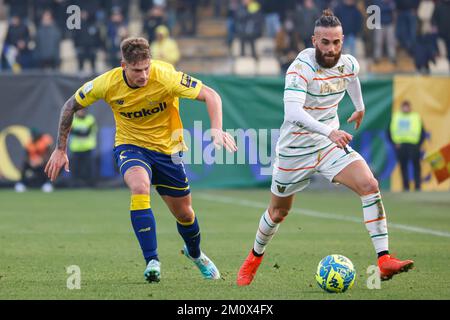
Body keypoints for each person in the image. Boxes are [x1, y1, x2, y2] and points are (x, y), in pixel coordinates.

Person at [236, 10, 414, 286]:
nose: (332, 49)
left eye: (337, 42)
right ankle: (254, 258)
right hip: (295, 149)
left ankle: (384, 260)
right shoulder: (300, 68)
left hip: (329, 144)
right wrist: (330, 131)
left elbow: (352, 77)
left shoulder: (348, 62)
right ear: (314, 40)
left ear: (342, 41)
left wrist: (360, 107)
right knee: (278, 213)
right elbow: (293, 113)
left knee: (369, 184)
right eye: (325, 42)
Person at [45, 37, 237, 283]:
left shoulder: (165, 76)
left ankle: (196, 254)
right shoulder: (106, 83)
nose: (144, 75)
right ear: (123, 65)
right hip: (131, 146)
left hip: (169, 151)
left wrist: (216, 128)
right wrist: (60, 149)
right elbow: (69, 106)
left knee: (185, 214)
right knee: (139, 186)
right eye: (137, 70)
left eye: (147, 68)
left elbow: (211, 95)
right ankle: (152, 261)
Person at [389, 101, 425, 191]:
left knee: (416, 166)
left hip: (413, 145)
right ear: (401, 107)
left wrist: (419, 144)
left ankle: (417, 187)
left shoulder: (415, 116)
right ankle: (406, 187)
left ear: (410, 107)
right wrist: (394, 143)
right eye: (404, 107)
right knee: (403, 166)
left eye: (407, 107)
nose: (405, 108)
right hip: (401, 145)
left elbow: (422, 132)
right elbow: (389, 132)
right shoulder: (396, 117)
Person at [15, 128, 54, 193]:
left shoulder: (45, 140)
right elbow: (26, 156)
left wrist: (42, 160)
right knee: (25, 166)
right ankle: (21, 184)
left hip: (44, 162)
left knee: (47, 166)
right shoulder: (30, 143)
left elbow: (51, 154)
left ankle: (48, 184)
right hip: (33, 162)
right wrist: (30, 161)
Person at [69, 108, 98, 187]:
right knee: (75, 168)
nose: (81, 112)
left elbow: (88, 132)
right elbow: (71, 131)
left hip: (88, 148)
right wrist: (80, 132)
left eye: (83, 110)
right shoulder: (73, 120)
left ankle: (90, 185)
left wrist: (77, 131)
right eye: (79, 110)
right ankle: (74, 185)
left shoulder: (90, 119)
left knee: (89, 168)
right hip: (76, 149)